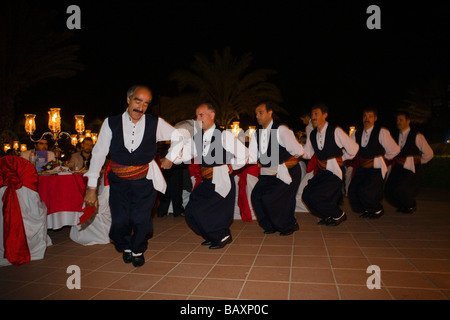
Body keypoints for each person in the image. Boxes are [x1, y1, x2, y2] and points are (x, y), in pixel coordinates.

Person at [83, 85, 185, 267]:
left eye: (146, 103)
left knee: (140, 219)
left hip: (144, 182)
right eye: (138, 101)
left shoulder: (155, 122)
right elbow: (98, 154)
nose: (141, 107)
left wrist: (171, 157)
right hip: (118, 182)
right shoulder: (111, 122)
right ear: (128, 99)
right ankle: (126, 246)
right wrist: (92, 188)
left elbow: (181, 135)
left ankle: (137, 249)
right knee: (120, 220)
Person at [182, 103, 248, 249]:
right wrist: (169, 158)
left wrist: (230, 166)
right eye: (196, 116)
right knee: (192, 210)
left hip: (221, 180)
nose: (198, 119)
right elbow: (185, 153)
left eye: (201, 115)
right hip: (206, 181)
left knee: (211, 211)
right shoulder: (197, 137)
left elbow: (244, 155)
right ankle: (211, 235)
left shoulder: (224, 135)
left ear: (212, 115)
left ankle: (222, 236)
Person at [249, 101, 304, 235]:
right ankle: (270, 225)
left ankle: (288, 225)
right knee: (256, 196)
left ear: (270, 112)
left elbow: (299, 150)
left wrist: (286, 162)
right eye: (256, 113)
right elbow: (251, 156)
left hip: (287, 172)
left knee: (272, 199)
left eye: (260, 112)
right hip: (267, 174)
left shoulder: (281, 130)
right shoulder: (256, 134)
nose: (257, 116)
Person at [302, 103, 359, 226]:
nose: (313, 117)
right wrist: (293, 149)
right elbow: (307, 153)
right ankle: (328, 215)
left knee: (318, 196)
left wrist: (341, 158)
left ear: (325, 115)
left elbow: (353, 149)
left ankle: (338, 214)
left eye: (316, 114)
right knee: (306, 195)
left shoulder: (335, 131)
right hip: (322, 171)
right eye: (312, 114)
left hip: (335, 171)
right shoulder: (312, 134)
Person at [348, 107, 400, 219]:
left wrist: (381, 159)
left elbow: (395, 150)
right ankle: (367, 209)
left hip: (376, 168)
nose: (367, 119)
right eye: (365, 116)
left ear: (375, 118)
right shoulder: (357, 132)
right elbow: (349, 149)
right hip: (362, 167)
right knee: (353, 189)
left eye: (370, 116)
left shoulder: (381, 132)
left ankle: (377, 209)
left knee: (367, 190)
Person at [385, 110, 434, 213]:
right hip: (398, 167)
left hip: (410, 167)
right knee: (388, 188)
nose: (398, 122)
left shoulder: (417, 136)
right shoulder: (395, 136)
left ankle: (410, 205)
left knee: (402, 188)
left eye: (401, 120)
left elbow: (429, 153)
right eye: (397, 120)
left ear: (408, 121)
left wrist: (418, 161)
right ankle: (402, 205)